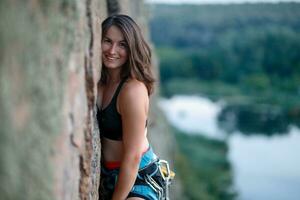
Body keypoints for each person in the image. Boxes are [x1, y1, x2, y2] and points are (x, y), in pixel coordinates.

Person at [97, 14, 171, 200]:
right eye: (107, 41)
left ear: (132, 49)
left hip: (139, 176)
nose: (112, 50)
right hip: (109, 176)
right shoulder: (100, 83)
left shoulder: (132, 91)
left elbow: (133, 157)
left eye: (122, 45)